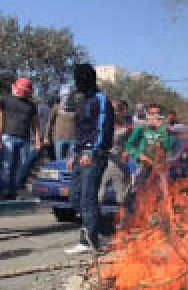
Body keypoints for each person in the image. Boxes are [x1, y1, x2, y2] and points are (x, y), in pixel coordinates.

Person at [64, 64, 114, 254]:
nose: (77, 84)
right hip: (80, 154)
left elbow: (102, 129)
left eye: (80, 80)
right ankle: (105, 230)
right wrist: (74, 154)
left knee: (87, 198)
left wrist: (91, 152)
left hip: (95, 154)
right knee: (74, 196)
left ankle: (88, 241)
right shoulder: (83, 101)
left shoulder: (101, 100)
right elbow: (81, 131)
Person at [124, 103, 172, 206]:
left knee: (161, 196)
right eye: (152, 114)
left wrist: (161, 130)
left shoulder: (164, 129)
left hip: (159, 168)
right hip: (143, 167)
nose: (154, 116)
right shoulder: (141, 128)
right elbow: (128, 145)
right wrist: (138, 155)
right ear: (147, 114)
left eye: (157, 114)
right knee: (139, 194)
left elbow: (166, 146)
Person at [0, 77, 40, 199]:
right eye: (22, 88)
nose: (24, 91)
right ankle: (5, 191)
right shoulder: (5, 100)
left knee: (20, 167)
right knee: (7, 166)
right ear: (15, 87)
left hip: (25, 139)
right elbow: (1, 118)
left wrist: (38, 140)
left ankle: (14, 191)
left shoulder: (31, 105)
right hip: (8, 137)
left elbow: (35, 124)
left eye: (26, 89)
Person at [98, 100, 133, 225]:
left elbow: (132, 142)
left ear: (121, 111)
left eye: (116, 110)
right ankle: (96, 221)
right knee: (99, 193)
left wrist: (127, 151)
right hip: (103, 161)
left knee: (121, 196)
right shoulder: (101, 124)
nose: (113, 112)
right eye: (110, 109)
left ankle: (122, 223)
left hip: (118, 163)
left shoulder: (126, 127)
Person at [45, 85, 79, 160]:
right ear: (61, 96)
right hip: (59, 139)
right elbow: (49, 122)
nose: (67, 97)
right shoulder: (56, 107)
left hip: (73, 139)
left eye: (69, 95)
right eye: (65, 95)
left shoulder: (77, 107)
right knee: (59, 161)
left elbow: (80, 123)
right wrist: (46, 137)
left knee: (72, 162)